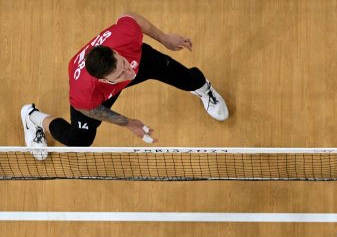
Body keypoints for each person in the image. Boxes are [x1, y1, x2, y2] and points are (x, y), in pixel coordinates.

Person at [20, 12, 229, 159]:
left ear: (115, 53)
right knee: (79, 139)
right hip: (99, 96)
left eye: (122, 64)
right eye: (121, 73)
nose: (129, 72)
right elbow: (90, 109)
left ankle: (204, 90)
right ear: (104, 80)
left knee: (187, 78)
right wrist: (126, 122)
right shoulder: (86, 93)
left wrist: (165, 38)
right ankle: (32, 118)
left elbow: (129, 17)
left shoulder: (125, 40)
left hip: (139, 59)